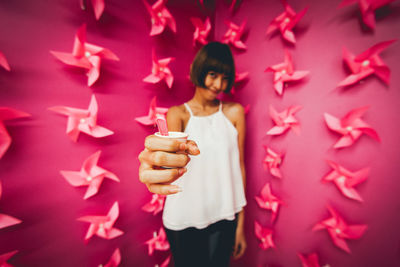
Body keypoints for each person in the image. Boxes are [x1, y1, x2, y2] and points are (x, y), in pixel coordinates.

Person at [138, 42, 247, 267]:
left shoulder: (234, 113)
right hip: (184, 216)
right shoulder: (177, 115)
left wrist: (240, 223)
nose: (219, 84)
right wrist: (157, 165)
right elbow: (169, 164)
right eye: (212, 74)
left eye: (225, 77)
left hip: (225, 214)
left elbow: (239, 166)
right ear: (198, 71)